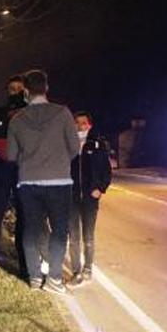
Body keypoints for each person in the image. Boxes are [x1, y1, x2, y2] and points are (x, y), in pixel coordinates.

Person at [7, 69, 80, 294]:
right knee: (59, 230)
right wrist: (57, 160)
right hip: (59, 181)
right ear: (46, 88)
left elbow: (11, 155)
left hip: (29, 182)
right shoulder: (63, 113)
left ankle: (35, 277)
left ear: (26, 91)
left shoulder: (17, 119)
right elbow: (75, 148)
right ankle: (55, 279)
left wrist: (30, 160)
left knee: (31, 229)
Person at [0, 75, 29, 274]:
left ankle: (22, 253)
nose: (15, 91)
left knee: (24, 214)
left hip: (24, 170)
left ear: (25, 91)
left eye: (19, 88)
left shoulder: (31, 113)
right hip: (1, 169)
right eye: (12, 88)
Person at [68, 111, 111, 286]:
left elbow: (106, 171)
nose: (80, 126)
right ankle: (76, 271)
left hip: (89, 199)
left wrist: (100, 189)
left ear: (89, 125)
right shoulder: (68, 144)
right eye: (77, 123)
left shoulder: (97, 145)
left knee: (88, 236)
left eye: (83, 123)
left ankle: (88, 268)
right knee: (73, 237)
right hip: (71, 197)